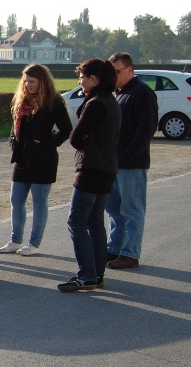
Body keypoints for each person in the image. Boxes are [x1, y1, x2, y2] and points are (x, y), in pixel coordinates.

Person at [58, 59, 120, 293]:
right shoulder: (111, 102)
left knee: (76, 221)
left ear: (94, 79)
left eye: (82, 77)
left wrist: (85, 140)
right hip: (107, 168)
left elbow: (75, 138)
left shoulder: (95, 104)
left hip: (91, 168)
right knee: (95, 223)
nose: (79, 82)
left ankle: (86, 274)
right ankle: (97, 273)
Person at [0, 64, 73, 256]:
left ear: (42, 81)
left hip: (43, 160)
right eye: (25, 81)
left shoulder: (54, 102)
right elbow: (16, 128)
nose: (28, 85)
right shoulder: (22, 101)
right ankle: (15, 240)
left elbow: (66, 129)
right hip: (22, 159)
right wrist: (13, 141)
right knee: (16, 200)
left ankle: (34, 243)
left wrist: (46, 144)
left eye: (32, 81)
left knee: (39, 203)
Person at [104, 52, 157, 270]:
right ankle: (114, 248)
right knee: (114, 210)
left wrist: (128, 154)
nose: (113, 76)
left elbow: (147, 128)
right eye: (111, 72)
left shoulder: (142, 92)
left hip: (132, 164)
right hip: (114, 163)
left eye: (117, 72)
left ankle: (130, 253)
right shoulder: (117, 93)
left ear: (129, 70)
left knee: (132, 210)